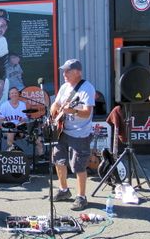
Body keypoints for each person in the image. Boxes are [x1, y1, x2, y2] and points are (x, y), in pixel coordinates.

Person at [50, 59, 95, 211]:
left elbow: (87, 112)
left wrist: (73, 111)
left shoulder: (87, 88)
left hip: (79, 133)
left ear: (78, 72)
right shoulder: (64, 87)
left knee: (78, 165)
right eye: (64, 71)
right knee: (58, 160)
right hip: (62, 130)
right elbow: (56, 104)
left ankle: (81, 197)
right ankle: (64, 190)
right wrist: (54, 110)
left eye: (68, 71)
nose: (64, 74)